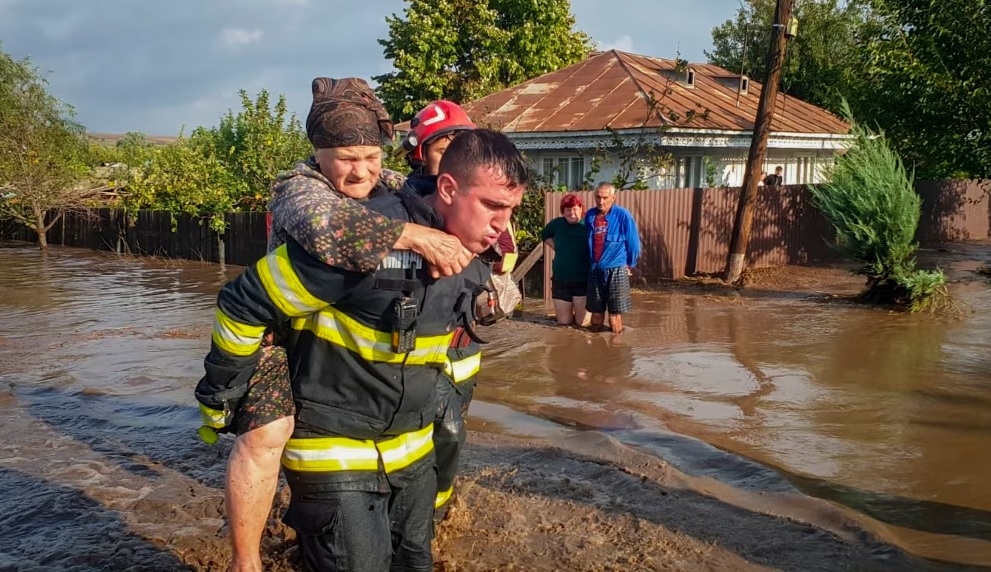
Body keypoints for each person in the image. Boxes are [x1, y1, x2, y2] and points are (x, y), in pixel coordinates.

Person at [196, 128, 528, 571]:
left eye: (510, 210)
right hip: (335, 452)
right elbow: (243, 303)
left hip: (410, 452)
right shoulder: (363, 241)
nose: (502, 226)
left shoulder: (473, 249)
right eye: (493, 206)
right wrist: (223, 395)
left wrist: (489, 305)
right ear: (448, 188)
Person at [400, 100, 516, 518]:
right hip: (416, 341)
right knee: (433, 430)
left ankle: (438, 503)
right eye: (440, 144)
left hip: (462, 343)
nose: (450, 151)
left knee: (452, 432)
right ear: (420, 152)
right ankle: (417, 511)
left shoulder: (485, 200)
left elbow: (504, 254)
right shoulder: (402, 204)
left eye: (458, 142)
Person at [585, 182, 641, 334]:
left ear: (613, 198)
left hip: (616, 270)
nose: (601, 201)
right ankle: (594, 350)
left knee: (614, 317)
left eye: (605, 197)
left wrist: (630, 265)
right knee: (595, 316)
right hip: (595, 270)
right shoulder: (590, 215)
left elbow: (634, 244)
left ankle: (616, 351)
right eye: (598, 197)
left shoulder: (623, 215)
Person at [540, 193, 590, 326]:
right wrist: (557, 247)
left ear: (581, 209)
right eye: (568, 210)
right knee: (563, 323)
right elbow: (544, 235)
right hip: (561, 280)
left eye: (574, 209)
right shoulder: (557, 224)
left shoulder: (589, 224)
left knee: (583, 324)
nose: (571, 213)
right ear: (563, 211)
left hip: (583, 280)